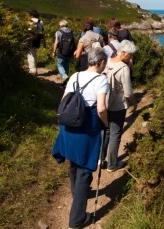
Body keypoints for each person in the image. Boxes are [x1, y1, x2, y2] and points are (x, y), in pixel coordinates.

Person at [52, 48, 109, 229]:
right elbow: (101, 108)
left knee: (74, 162)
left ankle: (76, 194)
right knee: (85, 168)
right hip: (87, 127)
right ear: (100, 63)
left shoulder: (75, 76)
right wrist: (105, 124)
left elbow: (64, 100)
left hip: (69, 125)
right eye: (104, 63)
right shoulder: (101, 80)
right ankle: (76, 220)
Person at [101, 40, 138, 173]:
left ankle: (100, 159)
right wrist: (134, 104)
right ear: (123, 52)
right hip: (117, 104)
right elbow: (128, 92)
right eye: (130, 55)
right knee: (115, 133)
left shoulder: (107, 62)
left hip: (104, 102)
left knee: (105, 131)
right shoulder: (124, 68)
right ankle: (112, 164)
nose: (131, 58)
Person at [27, 9, 46, 75]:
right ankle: (35, 69)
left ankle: (32, 71)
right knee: (34, 54)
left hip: (31, 39)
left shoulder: (30, 21)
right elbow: (43, 32)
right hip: (38, 39)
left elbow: (28, 30)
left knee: (30, 55)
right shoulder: (40, 22)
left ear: (31, 15)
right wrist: (44, 42)